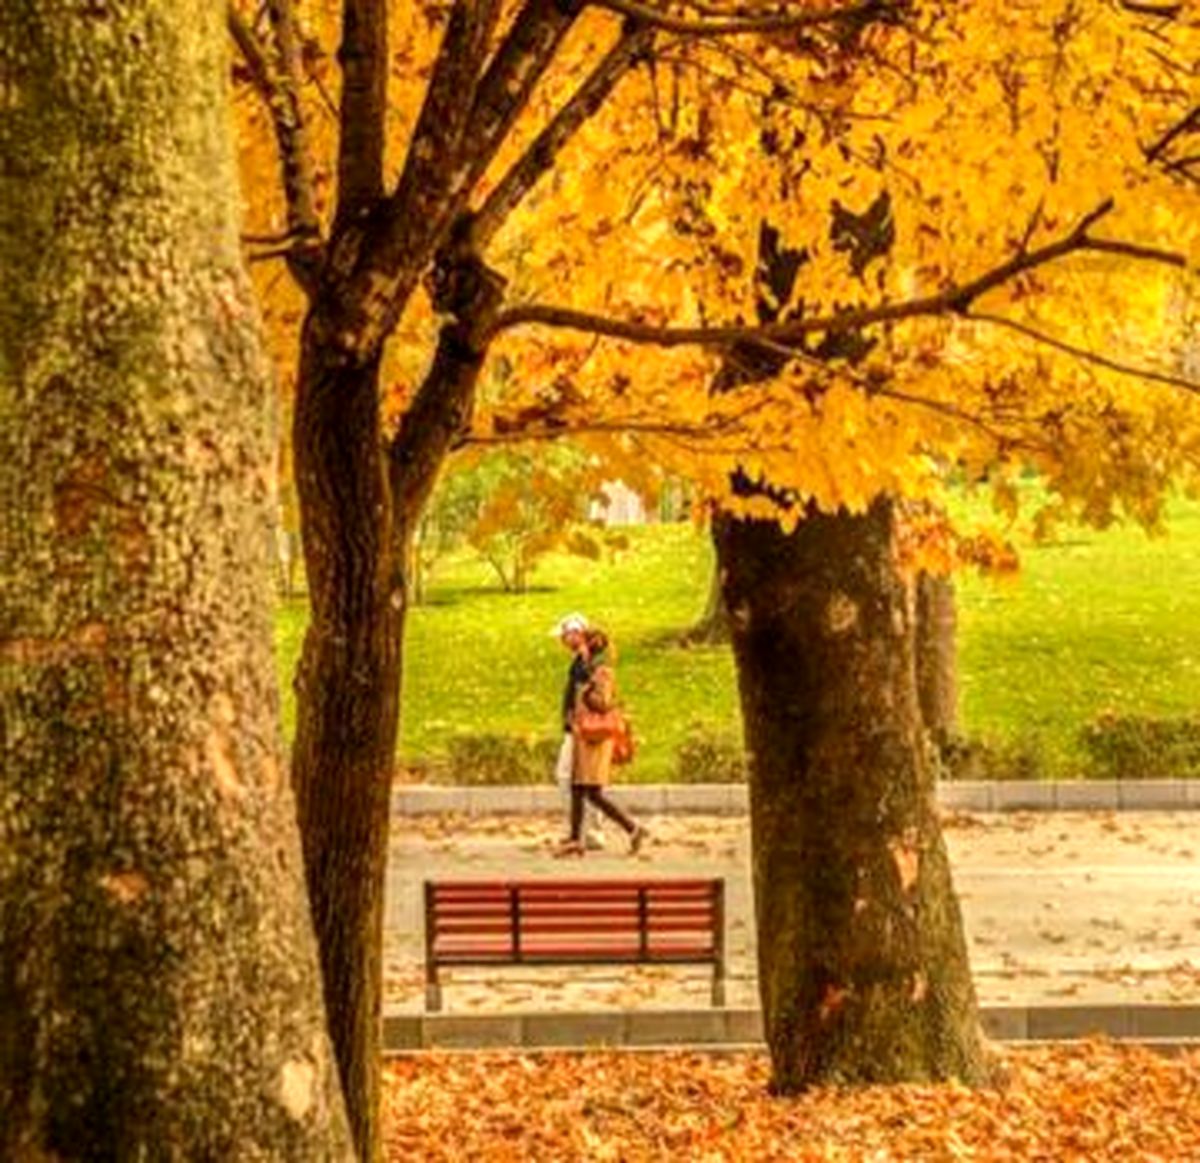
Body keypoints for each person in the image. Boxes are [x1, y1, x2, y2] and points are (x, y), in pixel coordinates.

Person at [557, 626, 647, 857]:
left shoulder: (602, 671)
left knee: (593, 792)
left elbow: (604, 704)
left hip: (596, 739)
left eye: (583, 643)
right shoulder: (587, 668)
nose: (579, 647)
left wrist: (585, 694)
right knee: (577, 788)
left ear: (591, 644)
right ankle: (575, 840)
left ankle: (634, 829)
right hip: (583, 736)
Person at [551, 613, 604, 850]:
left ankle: (589, 832)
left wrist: (575, 720)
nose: (562, 640)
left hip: (582, 729)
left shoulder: (588, 660)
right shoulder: (579, 659)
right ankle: (582, 832)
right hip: (575, 728)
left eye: (565, 635)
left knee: (580, 781)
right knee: (579, 782)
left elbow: (589, 693)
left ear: (577, 633)